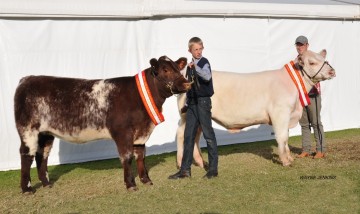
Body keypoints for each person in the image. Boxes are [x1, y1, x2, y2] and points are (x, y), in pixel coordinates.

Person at [168, 37, 218, 179]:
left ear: (203, 48)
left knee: (208, 136)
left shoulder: (203, 63)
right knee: (188, 136)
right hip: (192, 104)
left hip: (203, 102)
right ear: (189, 50)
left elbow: (207, 77)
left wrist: (195, 68)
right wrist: (186, 105)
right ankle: (185, 170)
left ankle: (213, 170)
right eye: (195, 49)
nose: (198, 52)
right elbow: (190, 87)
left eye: (200, 49)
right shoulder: (190, 66)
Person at [294, 35, 326, 159]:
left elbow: (320, 72)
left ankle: (321, 149)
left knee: (316, 123)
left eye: (301, 44)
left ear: (307, 45)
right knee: (304, 124)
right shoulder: (296, 61)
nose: (299, 47)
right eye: (298, 44)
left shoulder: (314, 57)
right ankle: (306, 149)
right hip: (301, 96)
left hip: (313, 95)